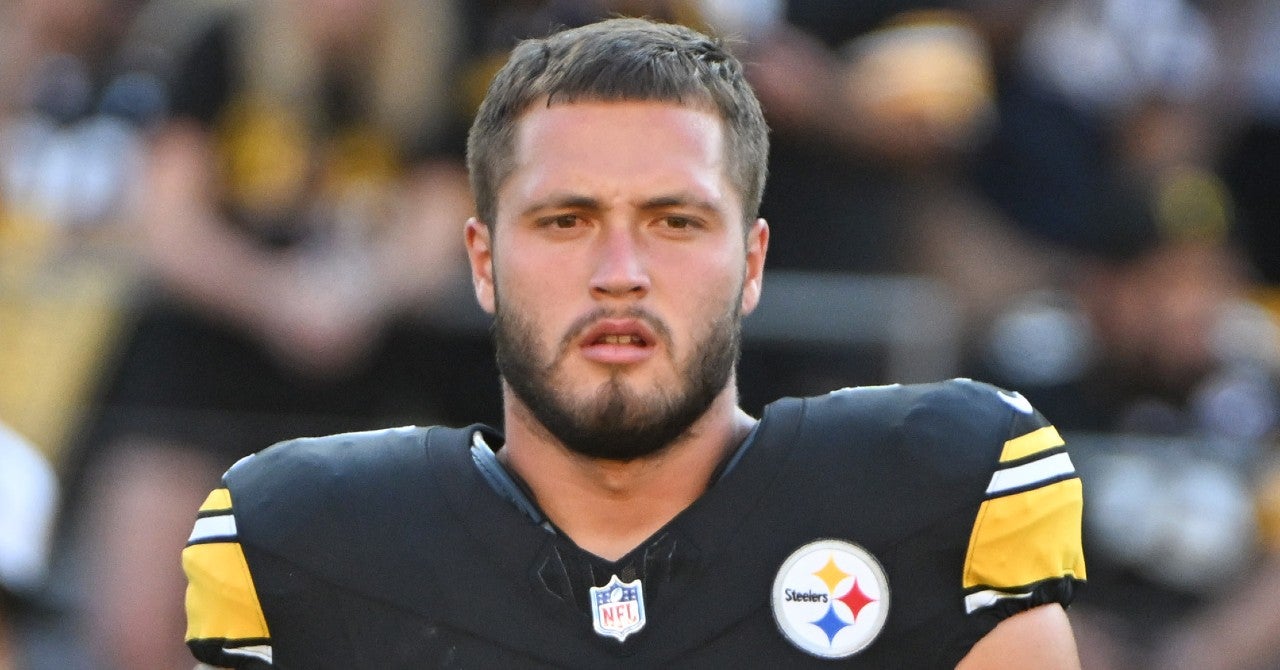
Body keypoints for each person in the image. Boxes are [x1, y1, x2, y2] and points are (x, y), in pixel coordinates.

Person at [181, 17, 1086, 668]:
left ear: (753, 260)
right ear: (484, 262)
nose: (620, 270)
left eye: (675, 221)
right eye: (567, 221)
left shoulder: (935, 495)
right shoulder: (315, 543)